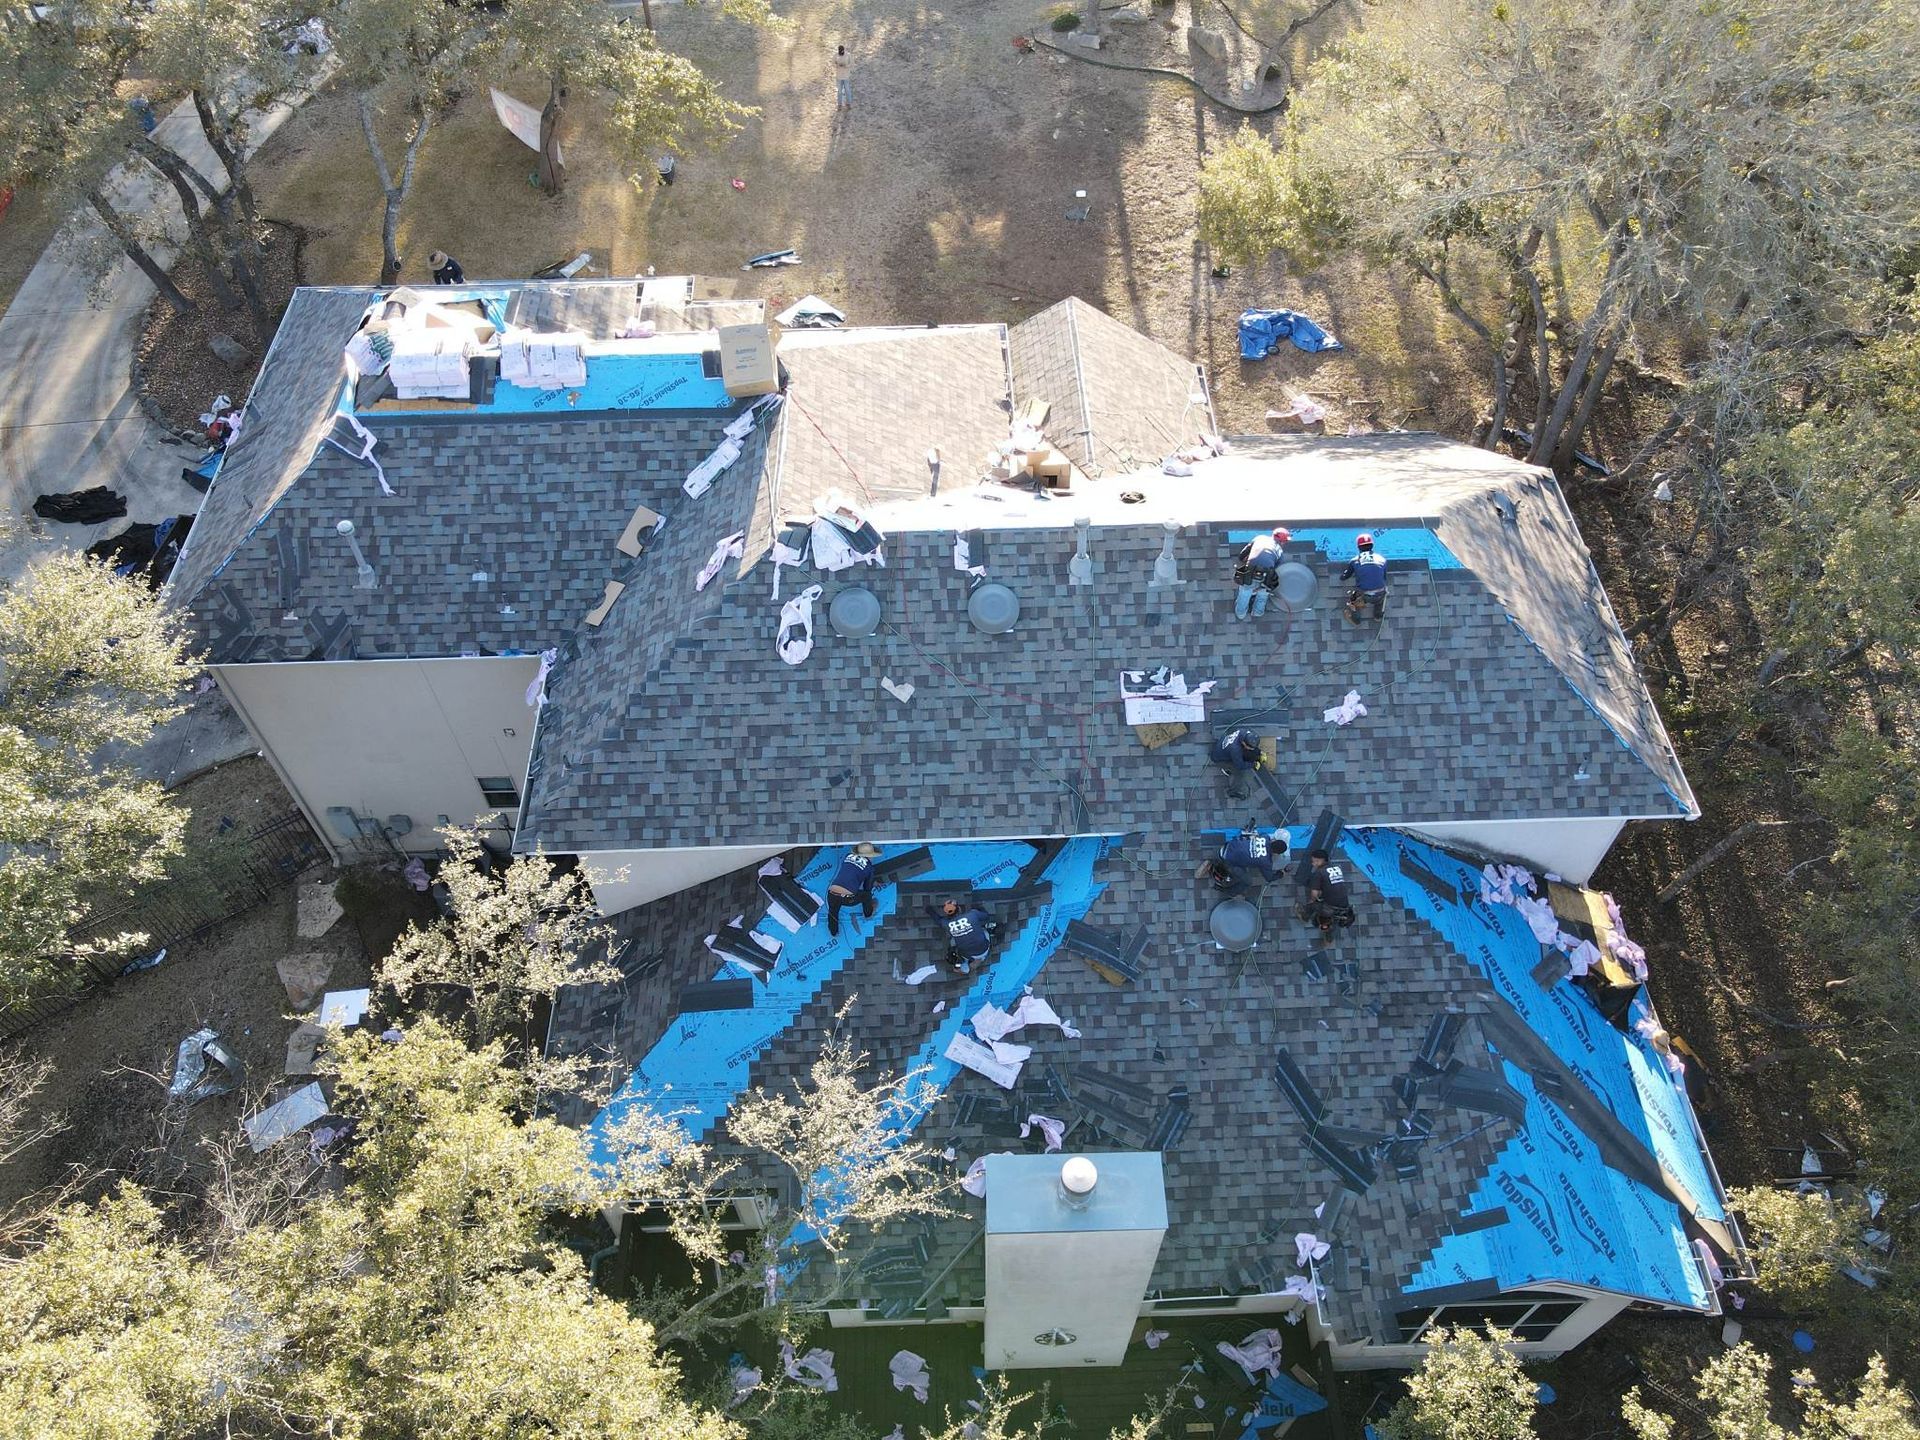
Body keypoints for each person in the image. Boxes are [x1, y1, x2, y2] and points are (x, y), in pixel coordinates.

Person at [1233, 526, 1290, 620]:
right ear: (1282, 541)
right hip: (1266, 575)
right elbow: (1279, 569)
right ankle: (1257, 612)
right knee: (1264, 591)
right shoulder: (1279, 551)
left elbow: (1242, 555)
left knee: (1246, 591)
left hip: (1250, 571)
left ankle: (1240, 614)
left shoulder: (1259, 538)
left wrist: (1246, 559)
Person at [826, 842, 880, 937]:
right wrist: (871, 881)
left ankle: (833, 932)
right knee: (866, 895)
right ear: (870, 856)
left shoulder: (848, 856)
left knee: (833, 912)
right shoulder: (869, 868)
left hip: (831, 893)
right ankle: (868, 913)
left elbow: (850, 871)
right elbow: (867, 887)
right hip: (848, 898)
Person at [1210, 825, 1290, 889]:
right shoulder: (1266, 862)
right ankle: (1225, 889)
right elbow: (1269, 878)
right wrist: (1281, 873)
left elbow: (1261, 835)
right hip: (1226, 860)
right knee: (1248, 882)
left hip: (1228, 846)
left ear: (1274, 841)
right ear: (1276, 854)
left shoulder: (1265, 837)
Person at [1297, 849, 1356, 933]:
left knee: (1312, 906)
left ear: (1319, 860)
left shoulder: (1319, 873)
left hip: (1330, 907)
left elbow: (1314, 894)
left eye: (1313, 861)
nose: (1312, 864)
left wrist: (1311, 903)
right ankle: (1327, 923)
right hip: (1344, 906)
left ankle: (1306, 916)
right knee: (1325, 900)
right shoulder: (1337, 868)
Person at [1342, 533, 1388, 623]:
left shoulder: (1355, 560)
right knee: (1381, 598)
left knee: (1353, 600)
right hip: (1379, 594)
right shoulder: (1382, 559)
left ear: (1359, 547)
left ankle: (1356, 619)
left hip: (1364, 596)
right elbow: (1384, 577)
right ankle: (1378, 616)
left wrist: (1343, 575)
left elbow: (1345, 577)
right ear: (1372, 545)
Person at [1209, 727, 1268, 799]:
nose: (1251, 749)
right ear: (1243, 743)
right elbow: (1240, 765)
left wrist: (1260, 752)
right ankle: (1232, 792)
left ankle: (1228, 766)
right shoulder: (1235, 750)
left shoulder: (1244, 732)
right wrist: (1254, 764)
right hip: (1220, 759)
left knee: (1247, 754)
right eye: (1250, 748)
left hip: (1223, 749)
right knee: (1239, 774)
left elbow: (1252, 746)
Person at [940, 900, 996, 975]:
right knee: (983, 931)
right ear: (959, 909)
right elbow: (986, 916)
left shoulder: (947, 923)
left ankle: (990, 931)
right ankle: (990, 931)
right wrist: (980, 908)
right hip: (979, 950)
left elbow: (959, 969)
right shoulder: (972, 914)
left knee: (954, 942)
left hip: (973, 953)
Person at [834, 44, 853, 109]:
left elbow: (852, 63)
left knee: (847, 90)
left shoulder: (848, 55)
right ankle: (839, 104)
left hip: (846, 76)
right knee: (839, 91)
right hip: (839, 76)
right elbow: (833, 62)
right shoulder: (836, 55)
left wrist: (846, 66)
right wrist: (837, 65)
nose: (841, 53)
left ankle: (849, 103)